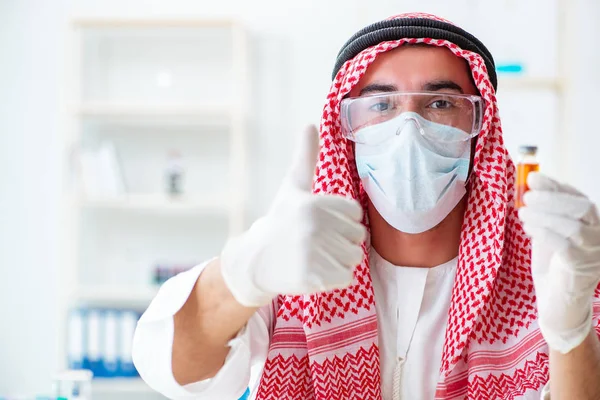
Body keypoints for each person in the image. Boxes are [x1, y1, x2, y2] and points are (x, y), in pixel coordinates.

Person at [132, 12, 600, 400]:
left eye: (440, 103)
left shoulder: (549, 273)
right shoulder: (294, 263)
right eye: (380, 106)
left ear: (480, 128)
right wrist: (243, 275)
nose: (409, 127)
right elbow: (172, 371)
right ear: (348, 131)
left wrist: (570, 333)